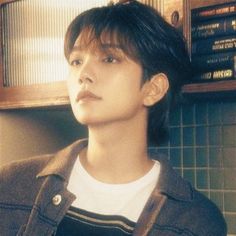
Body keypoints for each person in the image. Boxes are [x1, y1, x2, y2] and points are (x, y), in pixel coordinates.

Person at [0, 1, 227, 235]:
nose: (83, 74)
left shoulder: (196, 221)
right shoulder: (11, 186)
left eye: (109, 58)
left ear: (153, 88)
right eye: (76, 61)